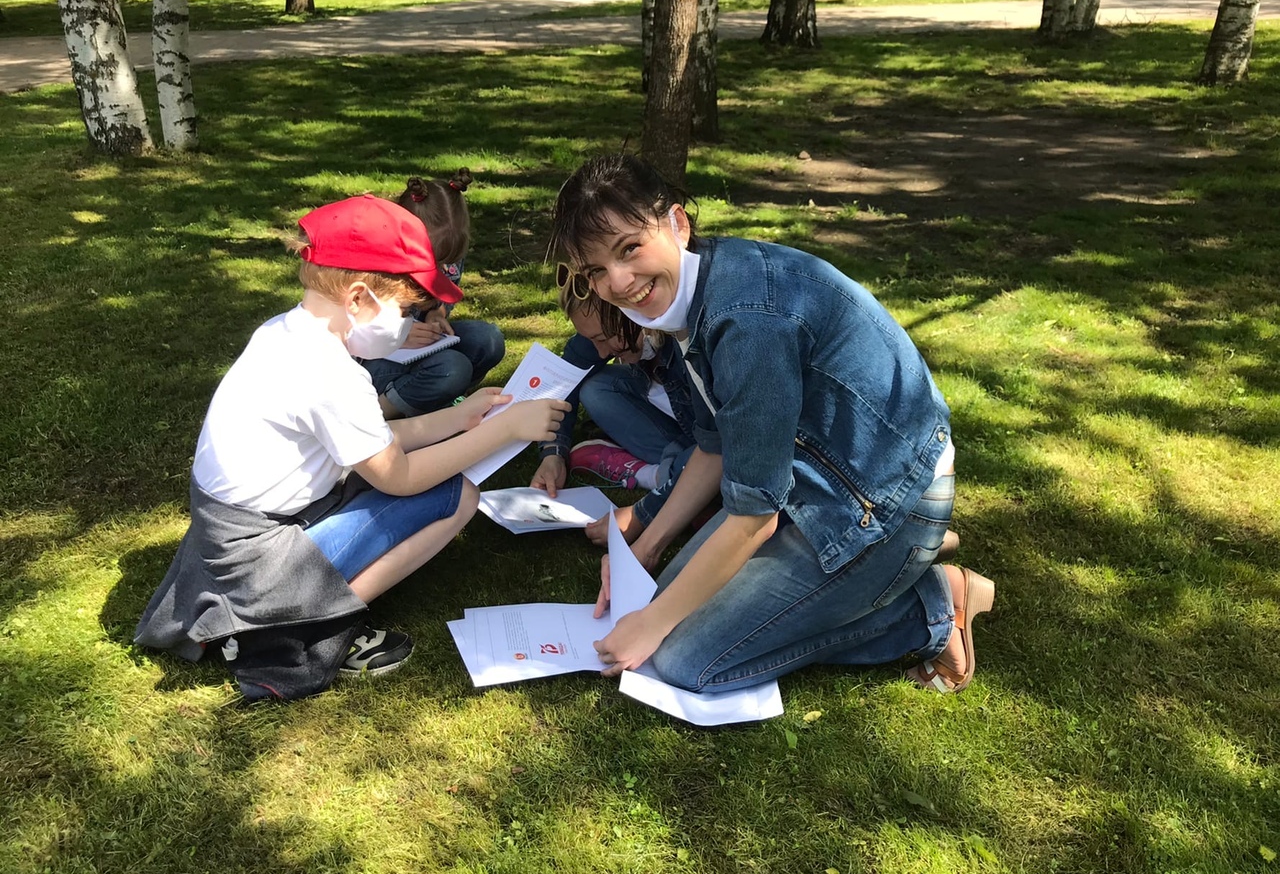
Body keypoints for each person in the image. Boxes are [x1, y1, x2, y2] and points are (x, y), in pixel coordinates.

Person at [548, 153, 993, 696]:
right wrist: (645, 548)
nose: (618, 282)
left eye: (629, 249)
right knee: (663, 605)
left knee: (685, 660)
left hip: (882, 501)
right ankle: (882, 580)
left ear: (677, 224)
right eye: (596, 270)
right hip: (815, 478)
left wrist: (653, 622)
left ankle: (931, 606)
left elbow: (754, 517)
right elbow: (715, 445)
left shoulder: (746, 322)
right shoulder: (694, 289)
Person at [135, 194, 569, 700]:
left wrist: (456, 418)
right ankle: (305, 624)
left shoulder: (285, 334)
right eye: (407, 310)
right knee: (460, 497)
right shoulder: (331, 374)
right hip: (260, 558)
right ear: (359, 299)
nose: (410, 323)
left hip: (227, 538)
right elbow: (397, 476)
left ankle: (285, 612)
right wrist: (504, 430)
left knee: (395, 483)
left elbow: (371, 443)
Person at [530, 265, 698, 545]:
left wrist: (640, 515)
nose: (601, 352)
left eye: (602, 338)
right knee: (596, 388)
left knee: (708, 466)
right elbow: (564, 382)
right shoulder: (608, 325)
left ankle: (655, 477)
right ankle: (677, 479)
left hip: (712, 446)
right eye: (591, 340)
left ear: (631, 311)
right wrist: (553, 454)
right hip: (689, 435)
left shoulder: (691, 342)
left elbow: (722, 446)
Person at [360, 170, 506, 419]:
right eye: (431, 262)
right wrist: (396, 335)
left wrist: (436, 313)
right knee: (453, 368)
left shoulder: (446, 252)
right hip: (372, 359)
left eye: (446, 262)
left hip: (420, 348)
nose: (440, 267)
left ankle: (435, 398)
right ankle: (382, 413)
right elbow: (347, 328)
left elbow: (440, 296)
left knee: (488, 339)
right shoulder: (374, 265)